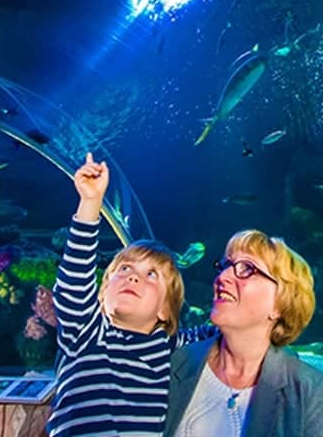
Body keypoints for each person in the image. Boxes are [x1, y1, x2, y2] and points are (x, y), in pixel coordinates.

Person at [47, 153, 213, 437]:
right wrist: (90, 203)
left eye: (152, 275)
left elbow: (229, 330)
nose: (133, 276)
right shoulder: (86, 333)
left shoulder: (173, 345)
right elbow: (74, 280)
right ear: (103, 292)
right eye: (124, 269)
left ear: (165, 310)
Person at [163, 229, 323, 437]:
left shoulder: (310, 389)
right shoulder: (175, 360)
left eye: (247, 268)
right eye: (226, 265)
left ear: (280, 304)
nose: (223, 277)